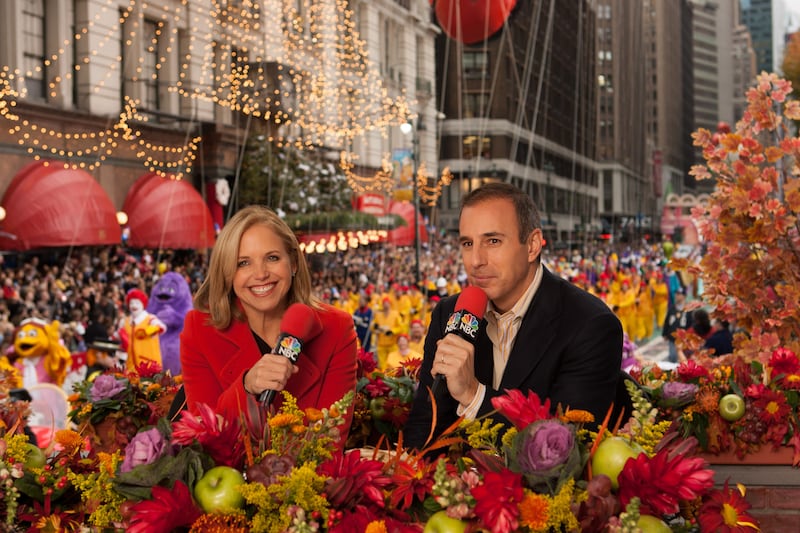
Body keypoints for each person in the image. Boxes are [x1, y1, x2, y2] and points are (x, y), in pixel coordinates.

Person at [403, 182, 623, 451]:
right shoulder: (449, 314)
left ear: (532, 245)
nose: (475, 260)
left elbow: (566, 449)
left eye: (493, 241)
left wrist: (474, 396)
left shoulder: (589, 325)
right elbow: (423, 428)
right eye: (467, 243)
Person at [179, 205, 358, 449]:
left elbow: (328, 443)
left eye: (272, 258)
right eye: (243, 263)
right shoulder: (199, 330)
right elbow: (206, 439)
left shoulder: (337, 329)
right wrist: (246, 387)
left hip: (307, 482)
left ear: (293, 263)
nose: (261, 274)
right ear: (227, 274)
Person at [118, 289, 166, 372]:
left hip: (149, 365)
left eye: (137, 303)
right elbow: (119, 339)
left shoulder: (149, 319)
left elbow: (161, 327)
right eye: (131, 303)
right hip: (131, 366)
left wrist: (147, 331)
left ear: (142, 304)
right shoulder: (126, 322)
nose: (134, 306)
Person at [661, 288, 691, 364]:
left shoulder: (688, 310)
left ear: (684, 296)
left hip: (683, 339)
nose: (677, 296)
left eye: (679, 294)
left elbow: (691, 324)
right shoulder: (672, 309)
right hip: (672, 338)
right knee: (672, 357)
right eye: (676, 294)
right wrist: (664, 334)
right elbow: (667, 321)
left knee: (683, 358)